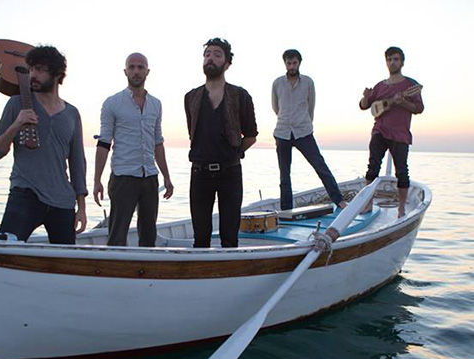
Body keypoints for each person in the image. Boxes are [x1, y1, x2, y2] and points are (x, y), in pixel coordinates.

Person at [0, 45, 87, 244]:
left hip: (62, 200)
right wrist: (16, 124)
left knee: (65, 259)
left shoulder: (71, 113)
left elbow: (77, 162)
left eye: (40, 70)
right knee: (5, 250)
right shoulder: (17, 103)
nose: (32, 75)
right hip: (25, 193)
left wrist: (82, 208)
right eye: (31, 69)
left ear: (57, 74)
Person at [94, 53, 173, 247]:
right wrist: (97, 180)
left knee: (149, 235)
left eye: (140, 67)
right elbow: (104, 143)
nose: (136, 71)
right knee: (117, 234)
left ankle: (147, 265)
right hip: (123, 177)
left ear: (147, 71)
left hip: (149, 177)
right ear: (125, 71)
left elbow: (158, 142)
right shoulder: (113, 103)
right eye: (132, 67)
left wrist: (166, 177)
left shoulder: (156, 104)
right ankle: (115, 265)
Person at [185, 38, 258, 248]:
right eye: (207, 54)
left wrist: (233, 153)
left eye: (217, 55)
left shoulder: (240, 95)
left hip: (230, 174)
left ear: (227, 64)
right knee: (200, 238)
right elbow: (193, 133)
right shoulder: (191, 97)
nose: (211, 58)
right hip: (199, 173)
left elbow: (251, 136)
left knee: (229, 237)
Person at [272, 49, 346, 211]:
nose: (292, 66)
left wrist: (303, 121)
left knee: (320, 166)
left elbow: (311, 106)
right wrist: (286, 120)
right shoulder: (277, 83)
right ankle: (286, 210)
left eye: (294, 63)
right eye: (289, 63)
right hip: (282, 133)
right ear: (285, 64)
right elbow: (276, 107)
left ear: (299, 63)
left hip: (303, 132)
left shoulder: (308, 82)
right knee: (284, 175)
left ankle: (339, 200)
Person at [359, 46, 424, 218]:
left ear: (402, 62)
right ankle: (367, 204)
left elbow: (419, 108)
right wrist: (365, 96)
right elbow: (364, 106)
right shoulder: (380, 86)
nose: (392, 62)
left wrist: (403, 102)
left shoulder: (411, 85)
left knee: (401, 171)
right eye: (389, 59)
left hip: (400, 133)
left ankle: (401, 209)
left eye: (395, 59)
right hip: (379, 130)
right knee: (372, 167)